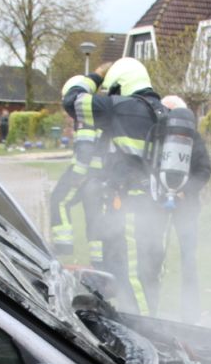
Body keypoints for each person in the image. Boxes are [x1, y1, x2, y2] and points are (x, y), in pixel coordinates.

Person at [62, 57, 167, 314]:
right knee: (149, 271)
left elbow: (72, 99)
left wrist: (96, 76)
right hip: (156, 207)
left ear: (121, 85)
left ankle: (147, 331)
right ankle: (140, 319)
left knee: (132, 275)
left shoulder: (118, 107)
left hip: (131, 206)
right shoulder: (163, 111)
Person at [155, 95, 211, 324]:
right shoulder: (163, 137)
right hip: (169, 206)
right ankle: (154, 307)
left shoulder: (191, 140)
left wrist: (183, 190)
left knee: (187, 259)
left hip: (185, 207)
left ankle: (190, 313)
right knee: (158, 255)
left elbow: (204, 171)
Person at [49, 72, 105, 263]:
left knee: (58, 200)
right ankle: (99, 261)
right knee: (95, 217)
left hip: (85, 173)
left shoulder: (84, 114)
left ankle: (64, 247)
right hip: (99, 176)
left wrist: (78, 175)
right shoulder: (96, 110)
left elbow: (86, 147)